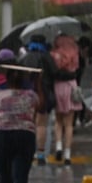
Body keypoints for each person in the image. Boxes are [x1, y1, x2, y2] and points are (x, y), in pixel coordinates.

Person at [18, 34, 75, 165]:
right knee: (41, 125)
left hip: (26, 95)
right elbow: (56, 73)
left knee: (27, 125)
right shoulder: (46, 57)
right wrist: (71, 75)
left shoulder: (24, 58)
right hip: (43, 94)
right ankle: (41, 155)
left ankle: (27, 152)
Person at [50, 34, 82, 165]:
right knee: (69, 124)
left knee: (58, 121)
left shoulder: (54, 54)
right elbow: (77, 69)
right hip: (71, 86)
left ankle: (58, 147)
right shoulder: (75, 53)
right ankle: (67, 154)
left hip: (57, 86)